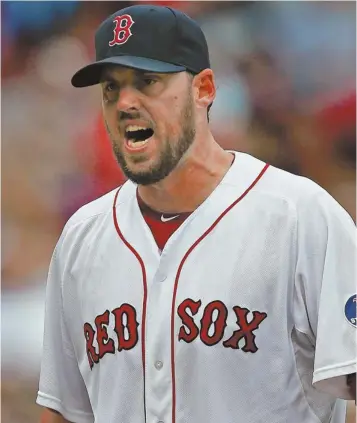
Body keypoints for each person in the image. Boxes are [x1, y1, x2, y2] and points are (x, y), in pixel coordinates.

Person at [37, 4, 356, 423]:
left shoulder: (301, 217)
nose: (125, 103)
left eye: (147, 81)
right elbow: (62, 412)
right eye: (111, 88)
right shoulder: (82, 238)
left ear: (203, 89)